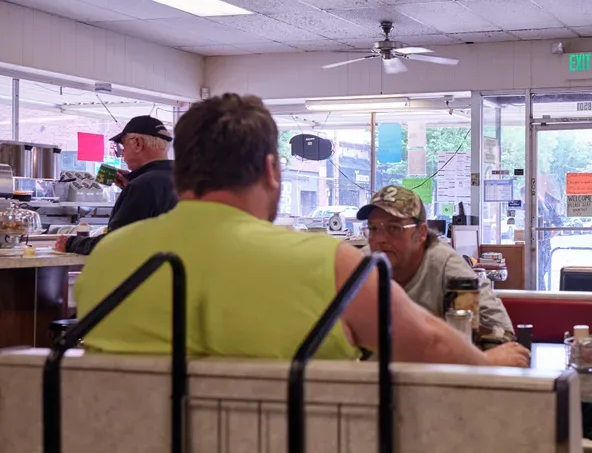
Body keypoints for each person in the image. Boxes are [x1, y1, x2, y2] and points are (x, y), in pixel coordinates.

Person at [73, 93, 529, 368]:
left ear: (181, 172)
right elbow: (427, 344)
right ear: (273, 170)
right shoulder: (334, 267)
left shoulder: (107, 260)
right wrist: (487, 360)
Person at [358, 184, 515, 342]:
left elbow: (504, 333)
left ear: (421, 233)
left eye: (394, 228)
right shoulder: (359, 264)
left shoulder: (445, 264)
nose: (379, 239)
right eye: (373, 229)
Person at [56, 116, 178, 255]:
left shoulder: (142, 186)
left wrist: (70, 243)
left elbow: (116, 244)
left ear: (137, 143)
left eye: (123, 146)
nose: (122, 155)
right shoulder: (186, 179)